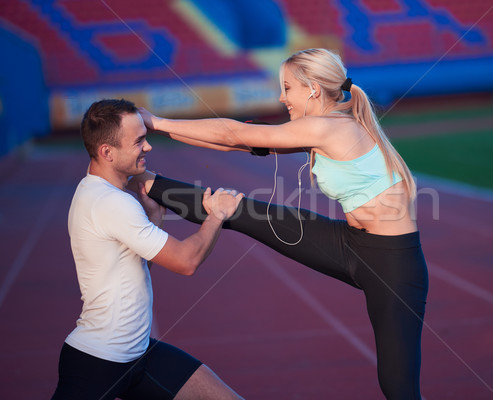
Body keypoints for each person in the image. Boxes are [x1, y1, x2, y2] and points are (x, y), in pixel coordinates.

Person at [136, 48, 429, 399]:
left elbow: (232, 135)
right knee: (239, 212)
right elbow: (235, 143)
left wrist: (156, 123)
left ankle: (150, 182)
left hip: (393, 265)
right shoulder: (324, 126)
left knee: (398, 388)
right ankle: (148, 183)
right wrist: (156, 129)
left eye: (287, 87)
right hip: (350, 243)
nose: (280, 97)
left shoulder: (329, 128)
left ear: (312, 90)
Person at [52, 99, 244, 400]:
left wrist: (154, 217)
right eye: (139, 141)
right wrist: (216, 214)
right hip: (98, 362)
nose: (148, 147)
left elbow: (132, 268)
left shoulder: (96, 191)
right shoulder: (110, 202)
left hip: (139, 354)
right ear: (107, 152)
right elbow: (186, 261)